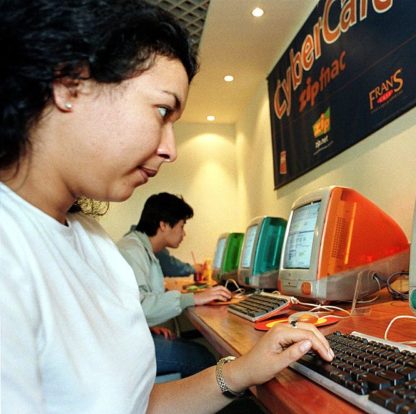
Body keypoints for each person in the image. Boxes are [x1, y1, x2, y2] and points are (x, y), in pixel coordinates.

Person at [0, 1, 333, 413]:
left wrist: (244, 370)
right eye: (162, 111)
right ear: (70, 84)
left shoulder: (92, 242)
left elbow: (141, 404)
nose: (170, 149)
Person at [117, 192, 227, 377]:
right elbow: (140, 305)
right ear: (163, 224)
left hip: (132, 335)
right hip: (124, 348)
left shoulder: (142, 248)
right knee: (204, 358)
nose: (184, 234)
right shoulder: (132, 251)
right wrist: (195, 298)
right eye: (182, 226)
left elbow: (129, 304)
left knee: (195, 347)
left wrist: (146, 326)